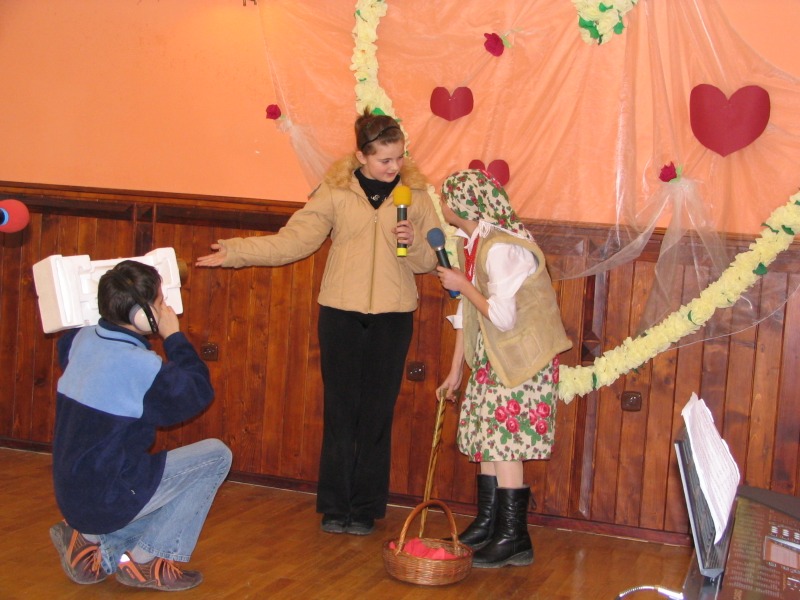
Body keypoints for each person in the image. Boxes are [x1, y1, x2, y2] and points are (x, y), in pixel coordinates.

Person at [196, 110, 440, 536]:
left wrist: (415, 242)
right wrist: (236, 252)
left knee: (377, 416)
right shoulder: (335, 192)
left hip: (393, 318)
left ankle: (365, 509)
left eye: (399, 157)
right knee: (341, 412)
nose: (394, 167)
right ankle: (335, 505)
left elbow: (430, 261)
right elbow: (294, 241)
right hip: (341, 316)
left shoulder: (415, 198)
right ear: (362, 156)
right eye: (385, 159)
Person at [50, 259, 232, 592]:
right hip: (105, 497)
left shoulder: (77, 341)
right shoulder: (142, 366)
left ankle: (90, 543)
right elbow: (197, 392)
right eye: (160, 301)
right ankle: (146, 561)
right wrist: (173, 336)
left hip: (71, 493)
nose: (165, 307)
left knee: (154, 482)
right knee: (216, 456)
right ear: (139, 315)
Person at [434, 169, 572, 568]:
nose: (441, 204)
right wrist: (456, 370)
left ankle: (514, 537)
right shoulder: (474, 243)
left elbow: (502, 317)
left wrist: (463, 283)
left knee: (505, 441)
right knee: (487, 438)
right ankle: (490, 523)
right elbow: (469, 314)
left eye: (445, 197)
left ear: (462, 205)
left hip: (521, 358)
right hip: (493, 355)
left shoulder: (501, 248)